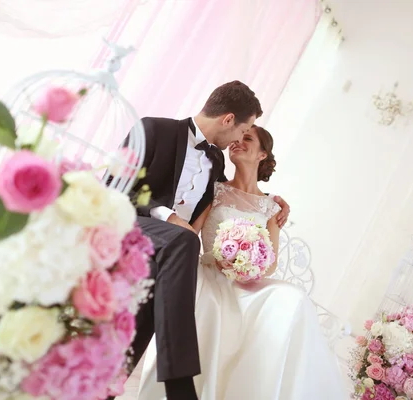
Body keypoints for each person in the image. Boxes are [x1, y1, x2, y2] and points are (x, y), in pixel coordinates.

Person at [107, 81, 290, 400]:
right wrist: (166, 216)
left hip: (166, 255)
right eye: (242, 130)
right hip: (131, 228)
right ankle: (180, 386)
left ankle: (106, 388)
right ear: (228, 119)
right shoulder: (153, 130)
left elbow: (233, 198)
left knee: (169, 274)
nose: (238, 140)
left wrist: (273, 200)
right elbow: (112, 185)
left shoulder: (216, 163)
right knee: (185, 242)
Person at [137, 126, 348, 399]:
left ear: (263, 154)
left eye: (247, 139)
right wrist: (224, 256)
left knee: (292, 298)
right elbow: (191, 232)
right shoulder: (214, 191)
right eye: (237, 138)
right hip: (211, 272)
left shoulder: (272, 207)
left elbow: (270, 263)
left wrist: (247, 264)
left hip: (247, 280)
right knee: (210, 305)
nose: (237, 142)